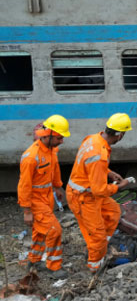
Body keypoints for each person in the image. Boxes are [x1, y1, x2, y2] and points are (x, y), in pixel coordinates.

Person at [66, 113, 134, 273]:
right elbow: (100, 190)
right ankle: (95, 268)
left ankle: (101, 248)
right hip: (83, 197)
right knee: (96, 234)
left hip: (88, 193)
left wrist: (108, 172)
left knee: (113, 212)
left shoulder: (93, 139)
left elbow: (90, 165)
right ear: (120, 134)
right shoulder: (99, 154)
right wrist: (120, 186)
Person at [17, 115, 70, 279]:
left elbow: (54, 168)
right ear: (48, 135)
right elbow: (24, 186)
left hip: (46, 197)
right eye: (60, 138)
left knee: (40, 231)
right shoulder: (31, 157)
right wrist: (27, 210)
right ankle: (54, 267)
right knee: (54, 230)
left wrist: (57, 186)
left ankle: (33, 260)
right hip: (35, 201)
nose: (62, 141)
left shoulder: (52, 150)